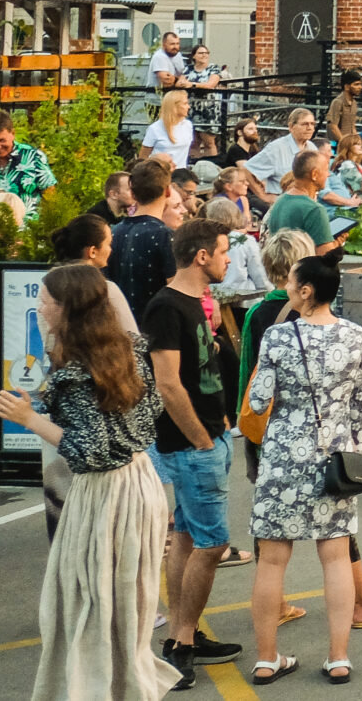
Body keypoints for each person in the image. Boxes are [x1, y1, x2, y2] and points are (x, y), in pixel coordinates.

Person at [0, 262, 183, 701]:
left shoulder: (76, 371)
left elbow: (90, 452)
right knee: (125, 604)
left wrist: (29, 419)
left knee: (84, 602)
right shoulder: (130, 348)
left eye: (46, 299)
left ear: (68, 308)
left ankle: (94, 690)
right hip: (140, 482)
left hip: (106, 496)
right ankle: (124, 684)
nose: (40, 306)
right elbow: (152, 409)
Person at [239, 254, 362, 686]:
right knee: (335, 556)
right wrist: (350, 445)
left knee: (271, 562)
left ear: (307, 290)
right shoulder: (354, 337)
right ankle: (338, 657)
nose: (288, 287)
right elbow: (359, 407)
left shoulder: (276, 337)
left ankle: (266, 658)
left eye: (292, 282)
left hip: (282, 461)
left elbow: (257, 402)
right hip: (335, 460)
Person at [144, 217, 239, 685]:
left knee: (185, 535)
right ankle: (181, 642)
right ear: (202, 256)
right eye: (223, 251)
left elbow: (206, 368)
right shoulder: (166, 306)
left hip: (209, 436)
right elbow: (167, 384)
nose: (227, 259)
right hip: (192, 443)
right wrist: (201, 438)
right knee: (213, 542)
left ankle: (187, 632)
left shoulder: (196, 303)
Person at [107, 160, 180, 324]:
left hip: (119, 329)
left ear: (132, 194)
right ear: (167, 191)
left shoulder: (112, 233)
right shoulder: (165, 236)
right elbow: (176, 292)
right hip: (158, 329)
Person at [263, 148, 346, 255]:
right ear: (314, 174)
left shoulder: (279, 202)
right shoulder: (314, 209)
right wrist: (337, 244)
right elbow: (324, 256)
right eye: (326, 170)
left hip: (280, 269)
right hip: (303, 270)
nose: (328, 174)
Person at [142, 89, 198, 173]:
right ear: (174, 106)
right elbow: (143, 155)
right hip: (160, 173)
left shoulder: (188, 125)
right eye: (185, 103)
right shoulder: (154, 128)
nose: (188, 107)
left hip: (181, 173)